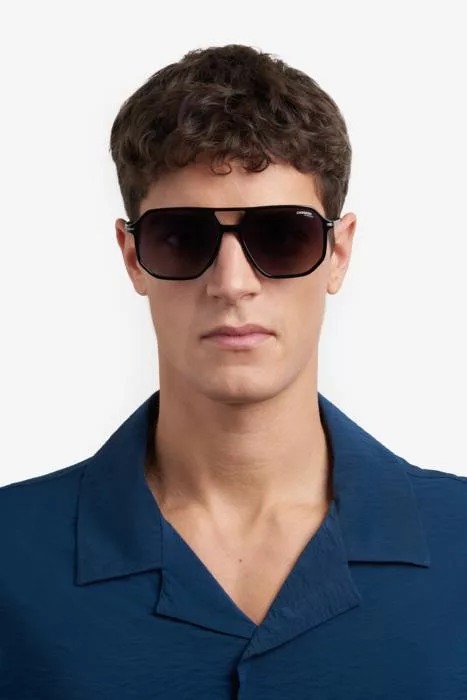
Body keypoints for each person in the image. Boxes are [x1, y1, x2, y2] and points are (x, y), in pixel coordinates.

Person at [1, 43, 466, 700]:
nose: (231, 282)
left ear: (337, 253)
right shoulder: (11, 555)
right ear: (132, 256)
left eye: (281, 235)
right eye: (180, 238)